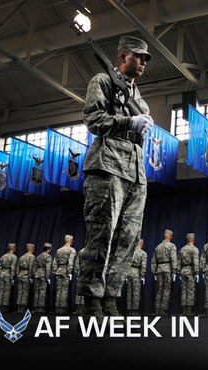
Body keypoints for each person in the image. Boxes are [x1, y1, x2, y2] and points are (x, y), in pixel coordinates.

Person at [78, 35, 154, 321]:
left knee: (128, 240)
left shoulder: (141, 102)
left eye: (146, 58)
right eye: (139, 56)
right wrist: (126, 122)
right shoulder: (104, 82)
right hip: (108, 166)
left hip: (136, 174)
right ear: (124, 57)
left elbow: (141, 138)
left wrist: (140, 124)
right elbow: (92, 119)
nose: (144, 62)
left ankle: (110, 298)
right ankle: (90, 302)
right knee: (102, 235)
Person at [151, 230, 178, 316]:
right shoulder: (172, 246)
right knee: (166, 290)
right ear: (170, 236)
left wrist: (154, 272)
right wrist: (174, 271)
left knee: (159, 290)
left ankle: (157, 310)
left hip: (159, 270)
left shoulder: (157, 247)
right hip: (167, 270)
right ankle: (163, 309)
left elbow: (153, 261)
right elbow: (174, 259)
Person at [52, 235, 76, 314]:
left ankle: (57, 308)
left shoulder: (59, 250)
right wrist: (69, 272)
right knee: (64, 290)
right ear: (71, 241)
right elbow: (71, 261)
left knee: (59, 290)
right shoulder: (72, 250)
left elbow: (55, 262)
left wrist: (55, 271)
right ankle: (62, 309)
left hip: (59, 271)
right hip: (65, 271)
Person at [178, 233, 200, 316]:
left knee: (184, 291)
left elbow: (179, 261)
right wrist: (197, 272)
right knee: (190, 290)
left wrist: (179, 272)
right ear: (193, 240)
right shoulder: (194, 249)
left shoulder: (182, 249)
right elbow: (195, 262)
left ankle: (183, 310)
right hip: (190, 271)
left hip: (183, 270)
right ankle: (189, 311)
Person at [126, 239, 147, 316]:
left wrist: (126, 275)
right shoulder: (143, 253)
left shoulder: (130, 253)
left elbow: (126, 263)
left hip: (129, 272)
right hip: (136, 273)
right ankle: (134, 311)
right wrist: (142, 276)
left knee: (129, 292)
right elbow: (143, 266)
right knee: (136, 292)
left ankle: (129, 310)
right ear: (141, 244)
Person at [0, 243, 17, 313]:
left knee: (1, 291)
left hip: (2, 274)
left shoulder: (3, 256)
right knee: (7, 292)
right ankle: (4, 308)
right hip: (8, 274)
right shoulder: (14, 257)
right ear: (13, 248)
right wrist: (12, 278)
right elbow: (13, 268)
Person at [15, 243, 35, 313]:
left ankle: (19, 308)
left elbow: (17, 267)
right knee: (25, 292)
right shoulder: (32, 257)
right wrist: (30, 277)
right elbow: (31, 267)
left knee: (20, 292)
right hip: (26, 275)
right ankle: (23, 308)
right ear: (32, 249)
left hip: (20, 275)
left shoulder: (21, 257)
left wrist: (18, 275)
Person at [33, 243, 52, 314]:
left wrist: (35, 274)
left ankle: (36, 307)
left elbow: (35, 266)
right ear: (49, 249)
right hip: (43, 275)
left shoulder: (38, 256)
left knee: (37, 292)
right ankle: (40, 308)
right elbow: (47, 268)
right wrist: (47, 277)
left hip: (37, 274)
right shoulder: (48, 256)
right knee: (42, 292)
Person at [73, 247, 85, 314]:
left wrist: (77, 273)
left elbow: (77, 263)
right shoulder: (92, 251)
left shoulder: (81, 251)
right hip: (87, 274)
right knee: (85, 292)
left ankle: (78, 310)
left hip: (81, 273)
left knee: (79, 292)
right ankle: (82, 310)